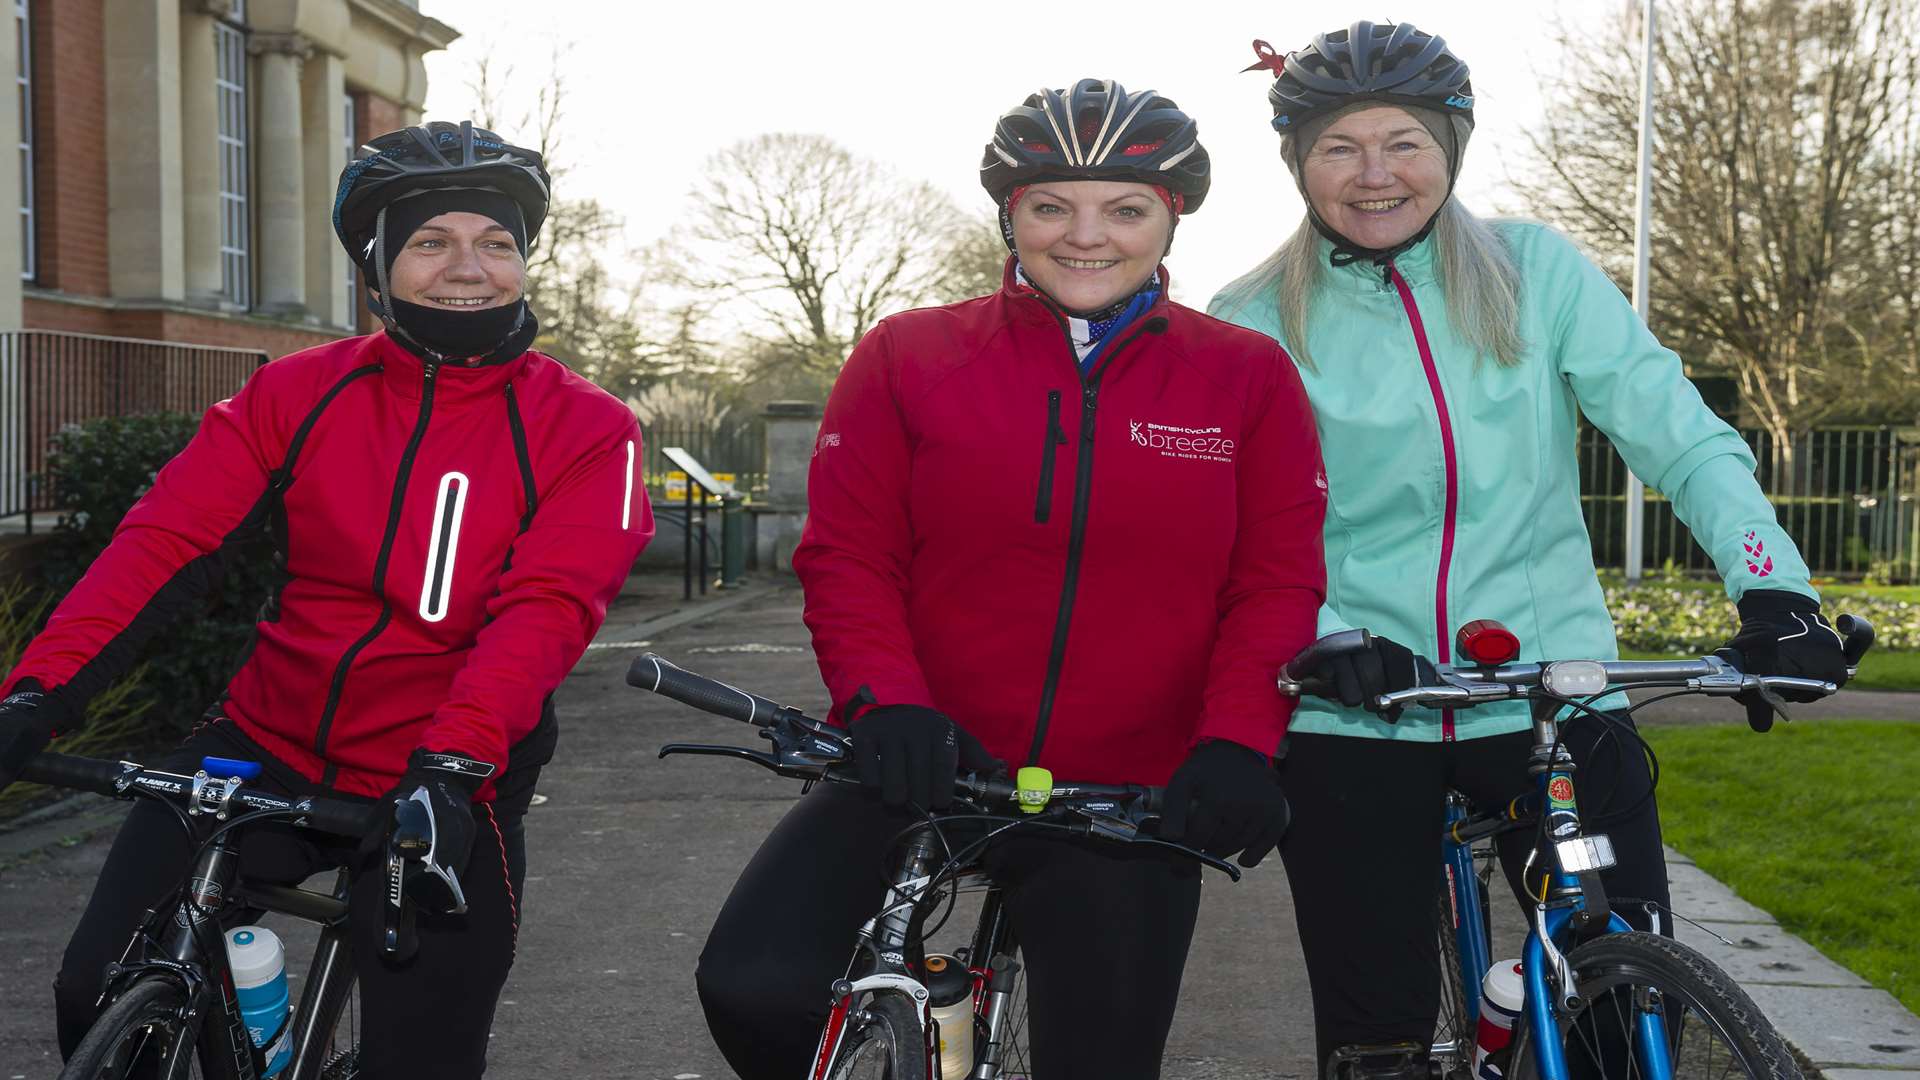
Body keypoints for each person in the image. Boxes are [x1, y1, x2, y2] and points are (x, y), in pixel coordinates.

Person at [1211, 23, 1852, 1078]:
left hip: (1555, 696)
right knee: (1378, 1041)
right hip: (1361, 707)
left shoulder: (1536, 271)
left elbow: (1679, 435)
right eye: (1341, 148)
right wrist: (1328, 641)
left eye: (1405, 141)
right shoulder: (1248, 323)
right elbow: (1232, 537)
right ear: (1300, 166)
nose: (1376, 175)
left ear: (1452, 148)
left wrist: (1775, 586)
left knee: (1619, 999)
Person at [694, 79, 1325, 1080]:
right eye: (1050, 207)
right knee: (753, 984)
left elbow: (1277, 584)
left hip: (1124, 793)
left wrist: (1241, 741)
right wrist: (885, 702)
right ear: (1009, 214)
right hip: (922, 761)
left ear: (1172, 217)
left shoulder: (1244, 376)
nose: (1085, 238)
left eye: (1124, 209)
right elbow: (850, 552)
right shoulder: (912, 353)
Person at [0, 120, 654, 1077]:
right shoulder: (295, 394)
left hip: (445, 774)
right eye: (431, 242)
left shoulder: (587, 428)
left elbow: (548, 608)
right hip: (264, 743)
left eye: (497, 242)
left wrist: (450, 764)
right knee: (95, 985)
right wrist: (39, 696)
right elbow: (166, 546)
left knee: (420, 1059)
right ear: (378, 267)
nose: (467, 267)